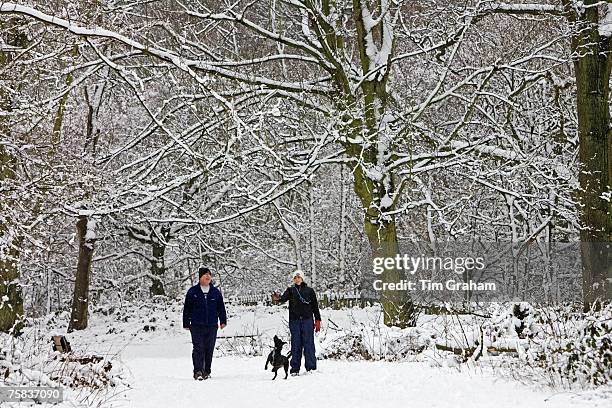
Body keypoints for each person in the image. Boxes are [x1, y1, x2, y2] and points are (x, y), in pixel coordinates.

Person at [272, 270, 321, 376]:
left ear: (302, 278)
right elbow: (283, 299)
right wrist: (278, 298)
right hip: (294, 321)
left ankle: (311, 367)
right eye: (295, 277)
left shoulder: (310, 291)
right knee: (296, 344)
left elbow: (315, 307)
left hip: (307, 320)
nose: (297, 279)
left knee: (309, 344)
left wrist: (317, 320)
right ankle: (294, 369)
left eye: (299, 277)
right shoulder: (290, 290)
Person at [183, 267, 227, 380]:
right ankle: (197, 371)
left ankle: (206, 371)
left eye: (209, 275)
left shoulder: (215, 292)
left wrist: (223, 320)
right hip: (197, 325)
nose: (208, 277)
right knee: (198, 348)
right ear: (200, 277)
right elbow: (187, 308)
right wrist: (186, 322)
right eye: (205, 275)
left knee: (209, 348)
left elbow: (221, 307)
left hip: (212, 325)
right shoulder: (193, 292)